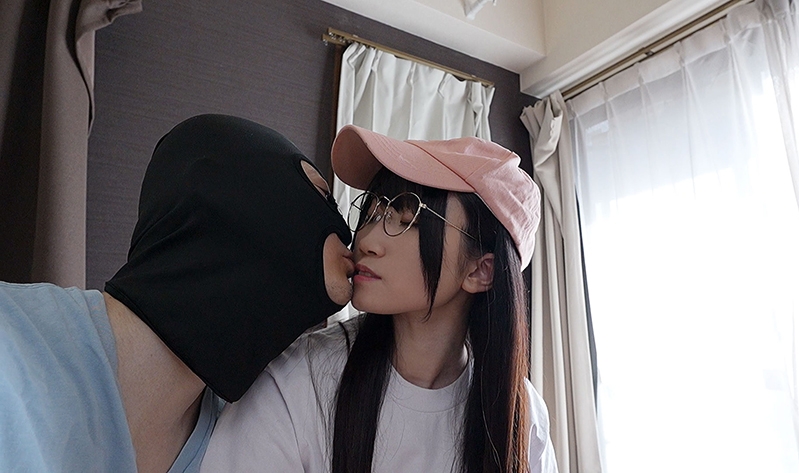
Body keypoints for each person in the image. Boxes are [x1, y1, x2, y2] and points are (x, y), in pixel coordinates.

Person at [0, 114, 355, 472]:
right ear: (234, 192)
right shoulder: (10, 339)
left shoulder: (247, 438)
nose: (347, 230)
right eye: (324, 196)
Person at [201, 125, 559, 472]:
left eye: (408, 220)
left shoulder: (521, 416)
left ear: (481, 271)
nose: (367, 241)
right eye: (371, 213)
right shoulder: (295, 381)